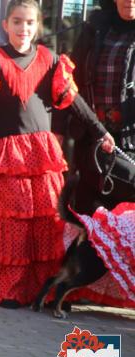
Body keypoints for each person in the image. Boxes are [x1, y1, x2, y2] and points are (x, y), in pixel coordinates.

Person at [0, 0, 115, 308]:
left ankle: (44, 291)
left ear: (38, 25)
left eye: (29, 22)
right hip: (7, 154)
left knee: (47, 221)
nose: (23, 28)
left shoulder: (51, 60)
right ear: (6, 25)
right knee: (12, 226)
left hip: (41, 153)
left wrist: (101, 132)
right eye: (17, 22)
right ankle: (9, 290)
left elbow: (76, 103)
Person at [69, 0, 135, 215]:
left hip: (130, 143)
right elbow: (70, 81)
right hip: (93, 142)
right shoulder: (94, 28)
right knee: (93, 225)